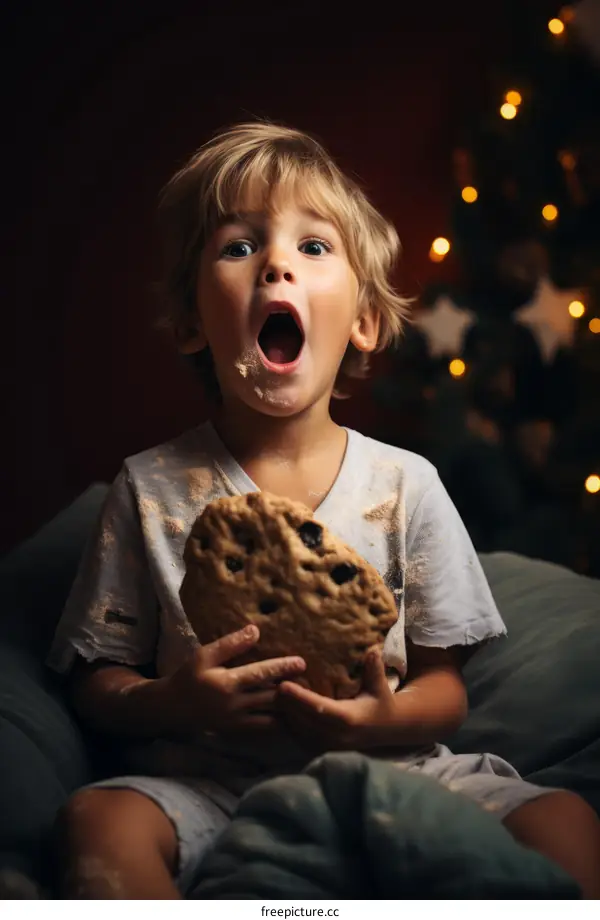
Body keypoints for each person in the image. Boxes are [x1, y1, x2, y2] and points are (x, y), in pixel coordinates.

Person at [49, 122, 600, 899]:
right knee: (97, 825)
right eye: (239, 247)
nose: (276, 261)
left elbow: (445, 690)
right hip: (209, 782)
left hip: (396, 768)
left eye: (314, 247)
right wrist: (171, 701)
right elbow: (97, 678)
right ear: (190, 324)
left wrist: (378, 721)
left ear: (365, 321)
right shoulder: (148, 490)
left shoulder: (407, 484)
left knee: (567, 820)